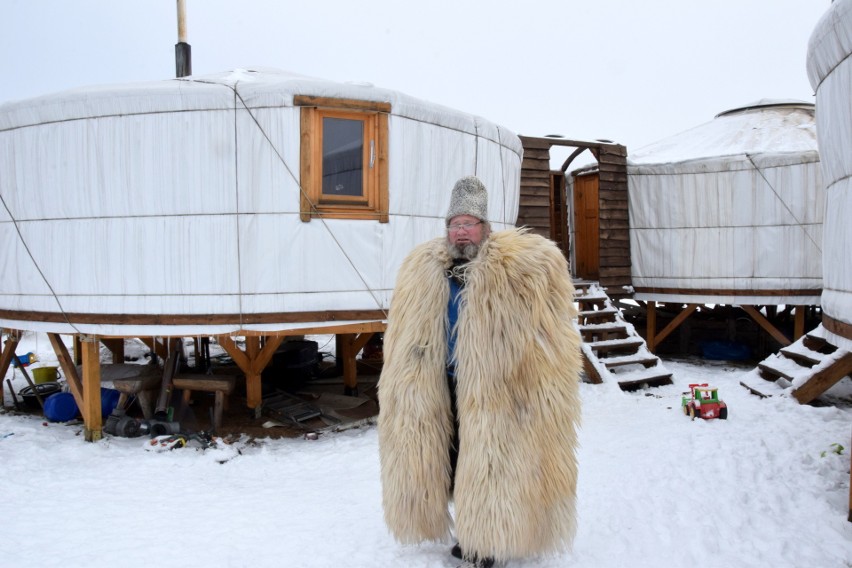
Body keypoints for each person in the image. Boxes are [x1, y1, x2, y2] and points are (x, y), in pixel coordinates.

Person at [378, 175, 582, 567]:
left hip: (497, 388)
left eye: (469, 224)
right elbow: (406, 328)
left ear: (486, 228)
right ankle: (469, 530)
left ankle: (486, 541)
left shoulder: (515, 267)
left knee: (493, 463)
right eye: (454, 225)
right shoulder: (426, 269)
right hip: (443, 384)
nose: (461, 233)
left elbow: (547, 325)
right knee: (453, 461)